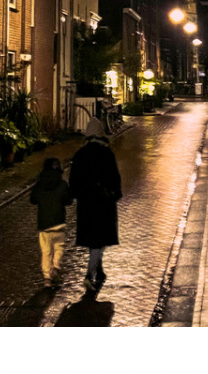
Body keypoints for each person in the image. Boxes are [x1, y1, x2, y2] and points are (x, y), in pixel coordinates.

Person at [69, 117, 122, 292]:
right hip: (104, 203)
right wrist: (115, 194)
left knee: (93, 239)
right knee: (100, 239)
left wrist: (77, 195)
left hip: (86, 204)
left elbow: (73, 182)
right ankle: (89, 275)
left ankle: (98, 270)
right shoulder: (107, 154)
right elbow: (115, 177)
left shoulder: (79, 155)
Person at [29, 157, 73, 288]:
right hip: (59, 221)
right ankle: (56, 267)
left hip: (44, 224)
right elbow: (68, 201)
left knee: (46, 251)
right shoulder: (63, 184)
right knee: (59, 247)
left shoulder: (39, 184)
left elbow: (33, 200)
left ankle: (47, 278)